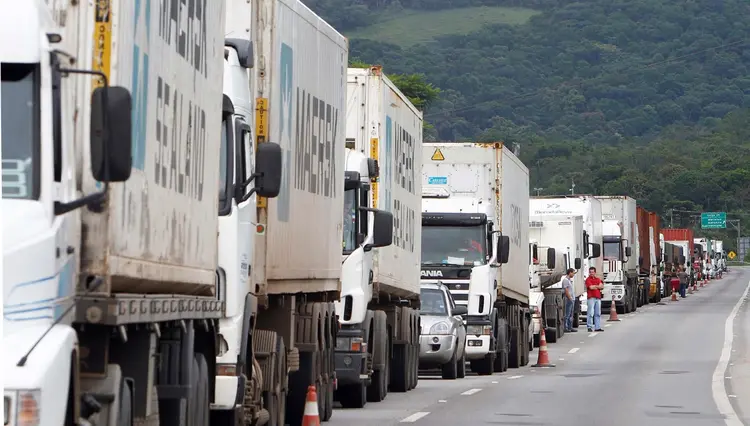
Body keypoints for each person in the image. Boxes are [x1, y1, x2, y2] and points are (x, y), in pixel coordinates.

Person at [585, 267, 604, 332]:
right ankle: (589, 326)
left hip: (598, 298)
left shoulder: (598, 279)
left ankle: (597, 327)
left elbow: (602, 286)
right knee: (590, 313)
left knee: (598, 313)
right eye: (590, 272)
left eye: (592, 272)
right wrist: (597, 286)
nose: (591, 273)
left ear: (595, 272)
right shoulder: (588, 279)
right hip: (591, 298)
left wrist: (595, 286)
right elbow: (591, 287)